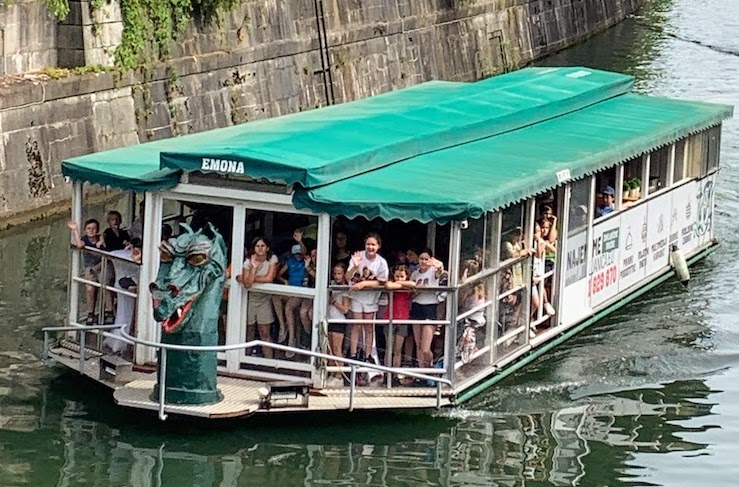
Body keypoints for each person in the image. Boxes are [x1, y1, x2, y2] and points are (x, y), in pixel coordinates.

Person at [347, 233, 389, 366]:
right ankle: (353, 354)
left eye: (373, 244)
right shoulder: (357, 256)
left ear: (378, 246)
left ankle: (368, 355)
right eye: (368, 244)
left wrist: (364, 284)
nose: (370, 247)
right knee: (357, 324)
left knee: (369, 327)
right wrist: (354, 266)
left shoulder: (381, 262)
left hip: (371, 298)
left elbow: (382, 282)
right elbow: (348, 277)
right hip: (357, 297)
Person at [240, 237, 279, 359]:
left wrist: (249, 278)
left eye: (262, 246)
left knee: (264, 333)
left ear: (267, 248)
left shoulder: (272, 258)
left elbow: (269, 278)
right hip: (250, 299)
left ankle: (269, 362)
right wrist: (254, 269)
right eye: (257, 246)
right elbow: (247, 285)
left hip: (264, 300)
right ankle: (245, 360)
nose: (260, 248)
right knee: (248, 332)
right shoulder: (248, 262)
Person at [104, 238, 143, 355]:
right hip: (126, 284)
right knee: (125, 311)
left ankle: (130, 339)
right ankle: (126, 339)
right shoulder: (135, 253)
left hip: (134, 284)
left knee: (131, 311)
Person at [68, 219, 110, 325]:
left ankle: (109, 311)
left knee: (106, 285)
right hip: (90, 267)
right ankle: (90, 313)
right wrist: (75, 230)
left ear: (97, 230)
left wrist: (101, 240)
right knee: (90, 288)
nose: (91, 231)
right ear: (85, 230)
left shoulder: (101, 239)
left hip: (102, 265)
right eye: (88, 228)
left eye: (93, 228)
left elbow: (104, 253)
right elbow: (79, 245)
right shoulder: (85, 239)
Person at [410, 248, 444, 377]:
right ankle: (422, 374)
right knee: (418, 345)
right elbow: (411, 295)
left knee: (425, 348)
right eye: (421, 259)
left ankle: (430, 367)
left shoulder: (433, 271)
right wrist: (416, 291)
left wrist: (440, 266)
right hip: (417, 307)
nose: (423, 261)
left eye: (426, 259)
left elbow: (440, 272)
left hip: (430, 308)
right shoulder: (414, 274)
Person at [384, 264, 416, 374]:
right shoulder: (392, 283)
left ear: (407, 276)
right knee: (389, 349)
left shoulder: (408, 286)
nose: (399, 279)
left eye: (402, 276)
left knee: (398, 350)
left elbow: (413, 284)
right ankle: (386, 373)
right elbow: (388, 285)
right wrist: (401, 284)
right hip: (390, 318)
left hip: (403, 319)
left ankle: (395, 374)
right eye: (397, 276)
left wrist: (399, 284)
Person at [277, 243, 308, 357]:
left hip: (300, 292)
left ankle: (291, 340)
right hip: (289, 290)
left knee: (289, 308)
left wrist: (301, 241)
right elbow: (279, 274)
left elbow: (305, 252)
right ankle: (282, 326)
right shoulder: (290, 261)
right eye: (296, 253)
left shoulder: (305, 262)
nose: (298, 256)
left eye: (300, 253)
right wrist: (284, 280)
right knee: (275, 297)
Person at [326, 262, 351, 387]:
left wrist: (334, 302)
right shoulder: (332, 285)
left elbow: (345, 309)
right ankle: (331, 373)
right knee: (329, 349)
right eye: (335, 273)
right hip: (329, 319)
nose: (336, 276)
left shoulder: (345, 289)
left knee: (337, 349)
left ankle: (339, 375)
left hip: (339, 320)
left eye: (339, 273)